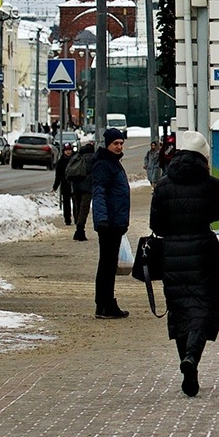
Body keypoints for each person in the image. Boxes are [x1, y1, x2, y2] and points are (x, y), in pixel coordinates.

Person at [149, 130, 219, 397]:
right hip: (204, 252)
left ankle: (187, 361)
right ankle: (192, 357)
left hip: (172, 254)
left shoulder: (163, 185)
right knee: (202, 309)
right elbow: (218, 215)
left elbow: (155, 224)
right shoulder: (211, 184)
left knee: (180, 310)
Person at [88, 127, 130, 319]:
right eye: (115, 144)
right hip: (109, 224)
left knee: (109, 265)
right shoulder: (104, 164)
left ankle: (106, 303)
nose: (119, 146)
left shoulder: (113, 163)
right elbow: (98, 193)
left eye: (121, 143)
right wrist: (102, 219)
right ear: (107, 144)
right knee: (106, 265)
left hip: (115, 222)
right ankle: (104, 305)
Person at [70, 140, 97, 241]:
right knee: (84, 209)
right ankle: (80, 230)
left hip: (76, 186)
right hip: (87, 187)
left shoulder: (76, 158)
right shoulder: (93, 158)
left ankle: (78, 227)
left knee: (77, 207)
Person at [52, 142, 76, 225]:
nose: (68, 152)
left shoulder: (75, 160)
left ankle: (77, 218)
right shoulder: (61, 162)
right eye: (66, 150)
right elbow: (58, 175)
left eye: (69, 150)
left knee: (76, 203)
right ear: (63, 151)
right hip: (65, 185)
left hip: (74, 184)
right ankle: (67, 219)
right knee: (66, 203)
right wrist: (55, 186)